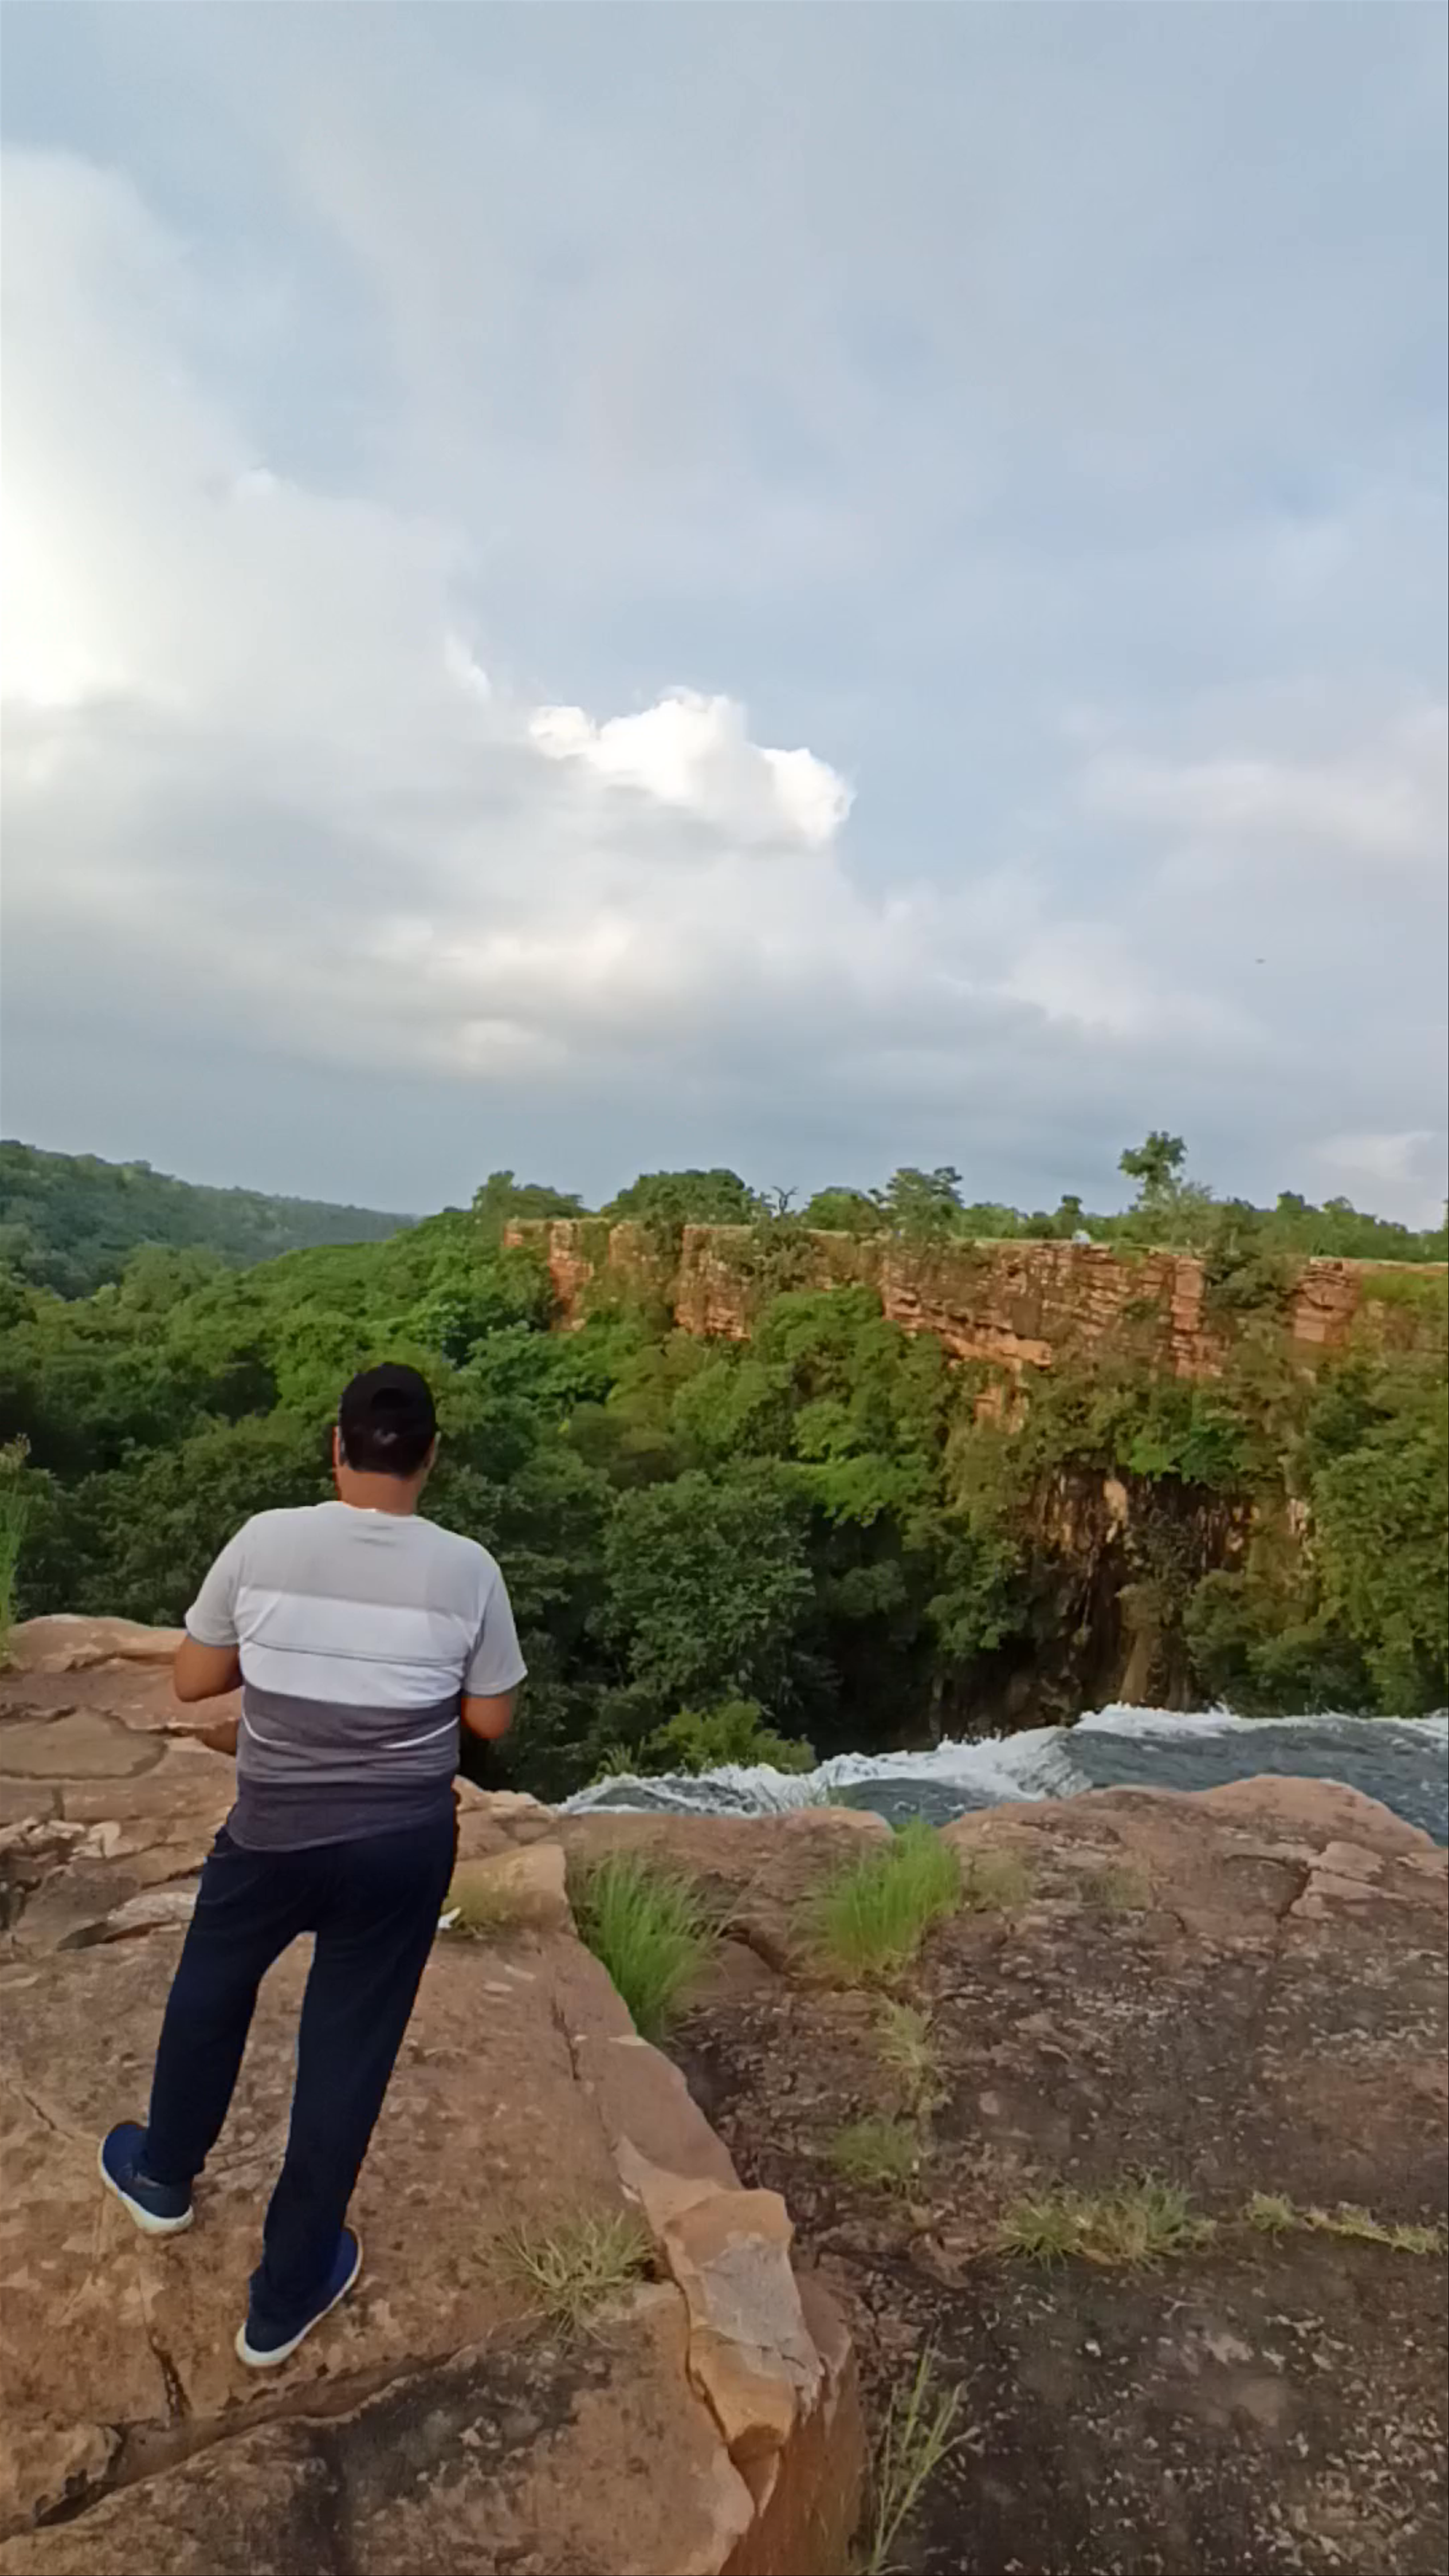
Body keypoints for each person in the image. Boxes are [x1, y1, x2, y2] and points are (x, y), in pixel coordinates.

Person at [98, 1363, 525, 2368]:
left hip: (275, 1830)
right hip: (399, 1845)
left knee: (212, 1983)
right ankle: (284, 2296)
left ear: (336, 1446)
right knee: (347, 2051)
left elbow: (195, 1678)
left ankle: (163, 2178)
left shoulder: (266, 1539)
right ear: (430, 1457)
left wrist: (283, 1648)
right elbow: (491, 1720)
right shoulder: (469, 1570)